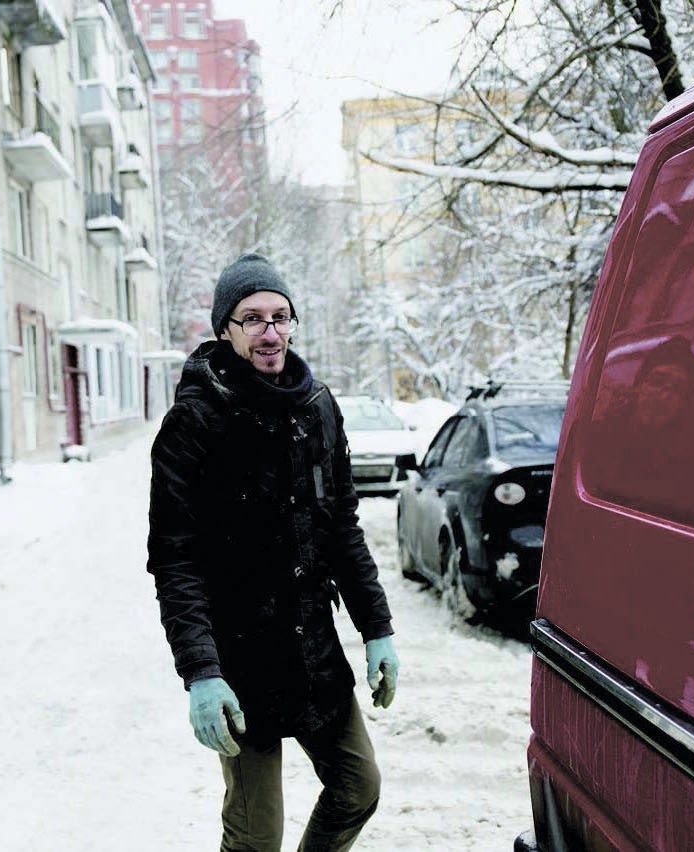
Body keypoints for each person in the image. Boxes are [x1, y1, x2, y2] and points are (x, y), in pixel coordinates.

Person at [147, 252, 400, 851]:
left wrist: (377, 628)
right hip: (240, 660)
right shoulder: (194, 424)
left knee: (358, 788)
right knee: (256, 837)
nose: (270, 332)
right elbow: (175, 560)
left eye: (280, 316)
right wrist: (201, 673)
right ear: (225, 330)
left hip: (313, 650)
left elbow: (342, 528)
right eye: (252, 318)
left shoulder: (318, 408)